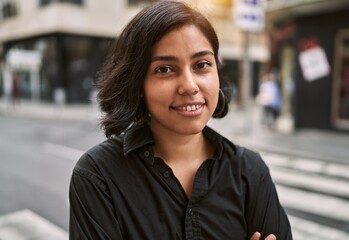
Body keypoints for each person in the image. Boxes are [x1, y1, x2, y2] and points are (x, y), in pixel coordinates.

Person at [69, 1, 292, 239]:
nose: (189, 86)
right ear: (138, 83)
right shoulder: (98, 176)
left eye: (202, 65)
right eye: (165, 69)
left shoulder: (250, 171)